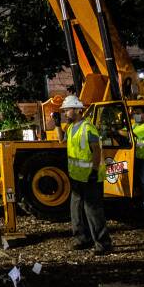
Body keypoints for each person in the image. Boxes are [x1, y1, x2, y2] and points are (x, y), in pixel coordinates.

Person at [59, 95, 113, 256]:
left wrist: (95, 171)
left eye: (67, 110)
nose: (65, 113)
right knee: (76, 210)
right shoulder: (70, 128)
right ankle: (82, 239)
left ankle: (103, 243)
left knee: (93, 211)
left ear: (78, 110)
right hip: (77, 177)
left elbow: (96, 150)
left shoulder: (88, 128)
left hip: (90, 177)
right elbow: (61, 141)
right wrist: (57, 124)